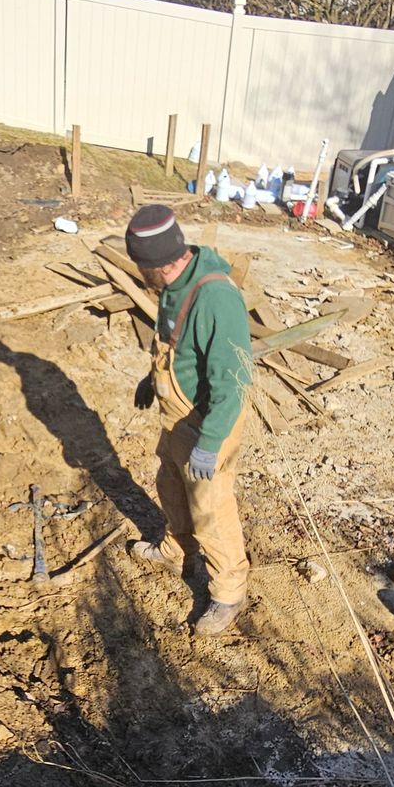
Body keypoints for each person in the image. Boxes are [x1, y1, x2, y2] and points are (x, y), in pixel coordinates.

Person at [123, 204, 254, 637]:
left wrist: (210, 441)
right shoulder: (173, 283)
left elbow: (233, 383)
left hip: (209, 418)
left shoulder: (215, 298)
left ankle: (228, 592)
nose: (140, 273)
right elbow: (177, 346)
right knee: (171, 485)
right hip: (177, 416)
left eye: (142, 266)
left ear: (159, 263)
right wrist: (151, 377)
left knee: (211, 508)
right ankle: (176, 550)